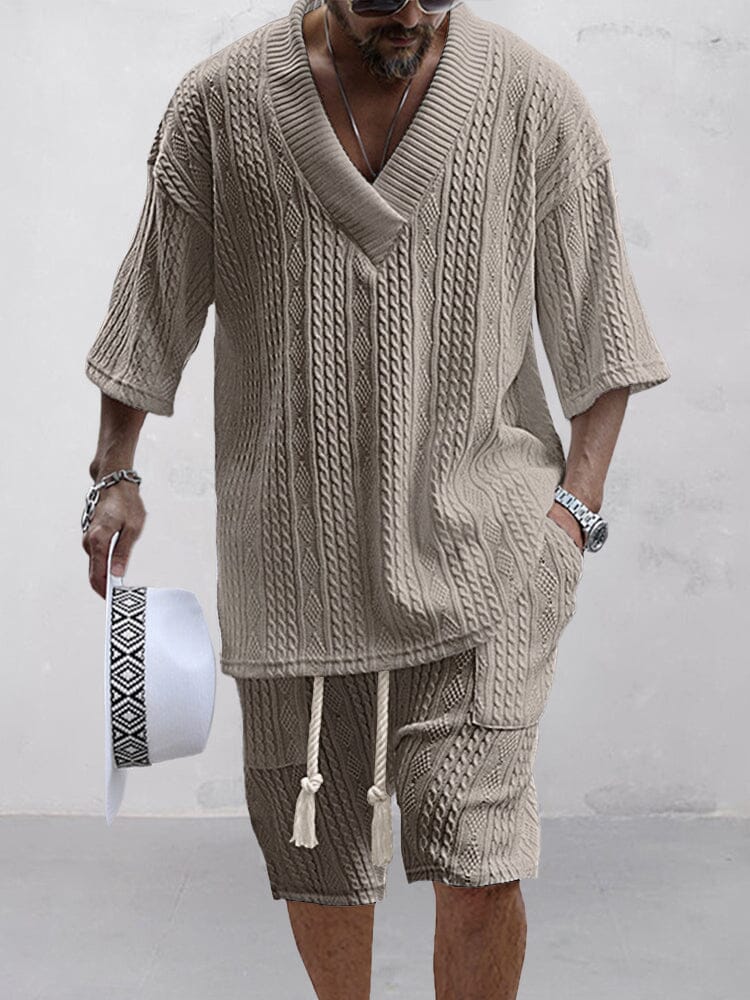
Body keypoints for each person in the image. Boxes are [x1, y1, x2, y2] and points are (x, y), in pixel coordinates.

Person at [81, 1, 671, 996]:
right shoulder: (220, 106)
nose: (405, 12)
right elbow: (150, 306)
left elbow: (602, 331)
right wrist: (114, 473)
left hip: (489, 564)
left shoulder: (534, 101)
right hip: (293, 571)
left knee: (479, 862)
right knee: (318, 860)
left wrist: (572, 516)